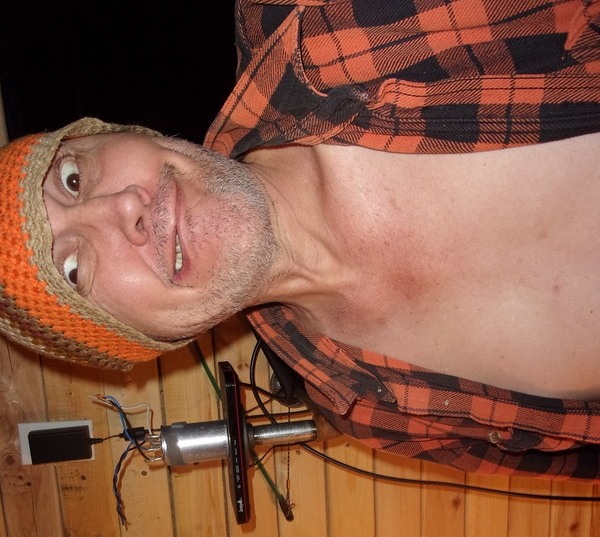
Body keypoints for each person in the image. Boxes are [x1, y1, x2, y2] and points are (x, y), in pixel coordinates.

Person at [1, 0, 600, 478]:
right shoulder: (368, 410)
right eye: (74, 269)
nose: (122, 210)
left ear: (118, 133)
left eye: (73, 178)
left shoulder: (328, 22)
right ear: (142, 339)